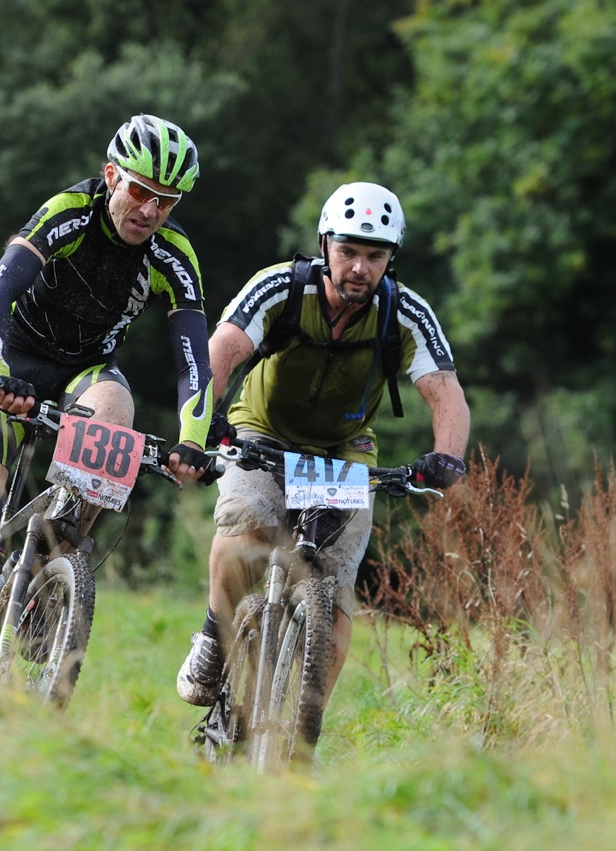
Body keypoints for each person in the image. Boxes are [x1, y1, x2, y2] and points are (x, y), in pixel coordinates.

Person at [0, 114, 217, 644]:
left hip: (85, 369)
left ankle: (52, 568)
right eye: (141, 190)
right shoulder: (70, 212)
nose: (150, 210)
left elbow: (193, 359)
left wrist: (192, 441)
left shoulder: (173, 254)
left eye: (167, 200)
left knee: (117, 411)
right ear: (112, 175)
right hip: (16, 361)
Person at [175, 181, 471, 711]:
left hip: (345, 449)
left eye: (374, 256)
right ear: (324, 246)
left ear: (390, 259)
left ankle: (303, 732)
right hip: (260, 431)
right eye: (348, 252)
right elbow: (220, 352)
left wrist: (447, 456)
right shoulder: (281, 288)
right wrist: (201, 429)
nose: (360, 267)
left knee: (333, 587)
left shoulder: (405, 312)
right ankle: (215, 637)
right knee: (247, 526)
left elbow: (445, 392)